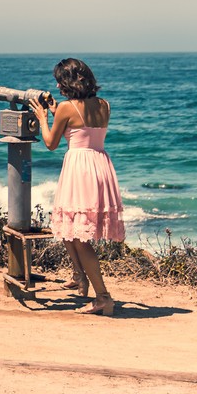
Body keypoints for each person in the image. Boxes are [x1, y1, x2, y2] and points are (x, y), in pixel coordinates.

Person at [27, 58, 124, 316]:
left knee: (80, 239)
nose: (57, 86)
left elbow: (51, 143)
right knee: (70, 226)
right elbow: (81, 130)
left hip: (79, 170)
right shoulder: (104, 105)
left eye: (60, 81)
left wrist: (43, 117)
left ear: (69, 82)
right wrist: (57, 111)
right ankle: (80, 276)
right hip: (99, 165)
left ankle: (103, 297)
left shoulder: (66, 109)